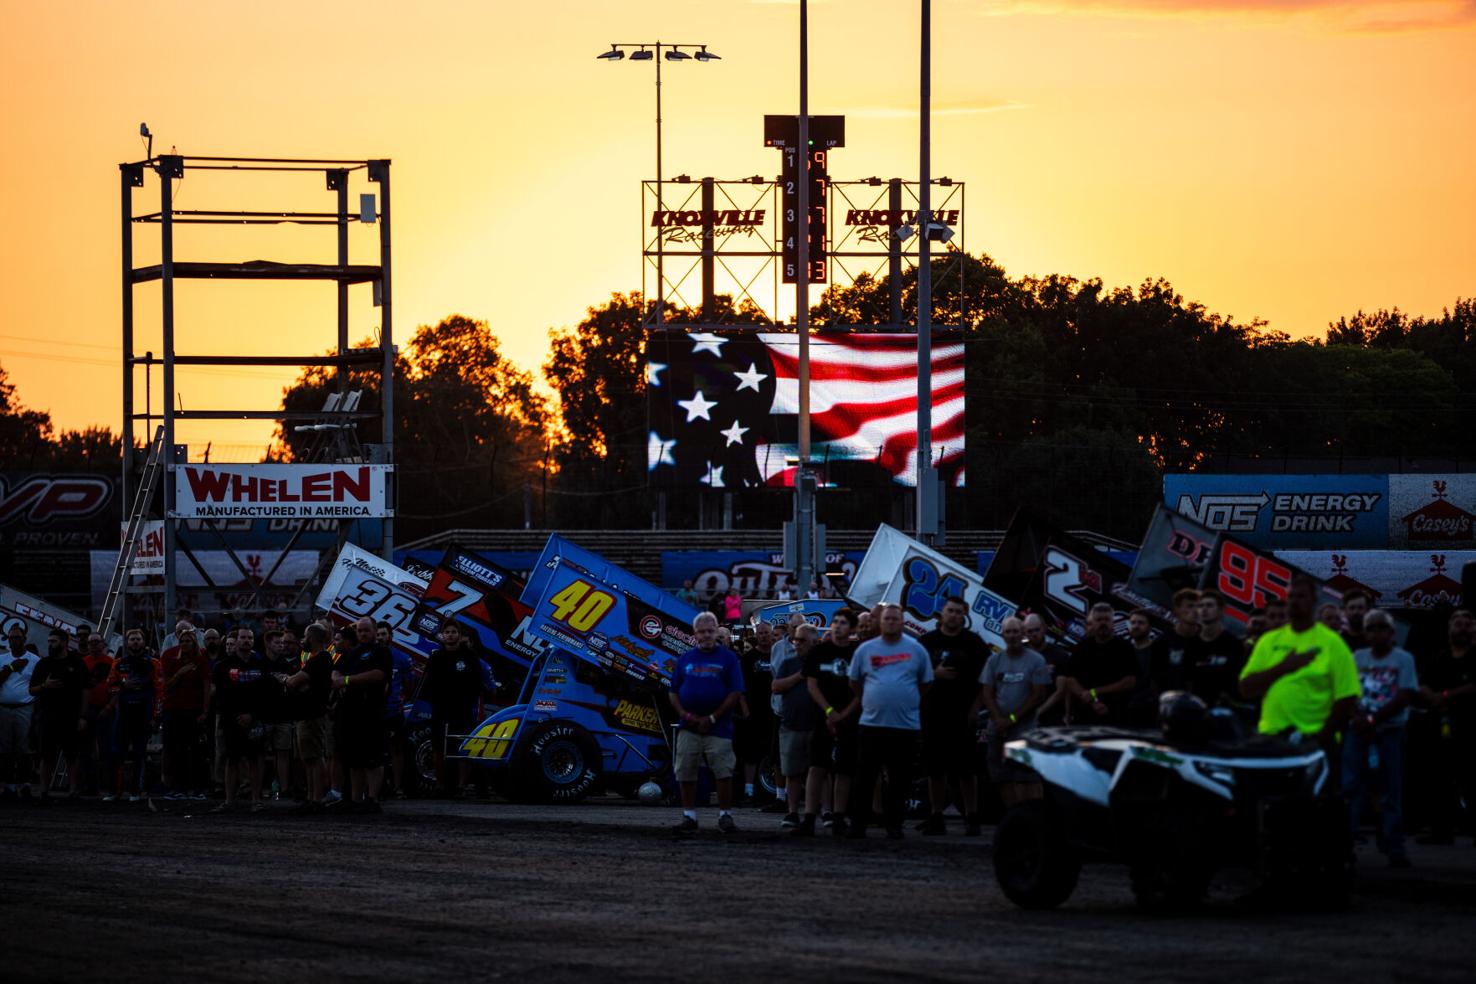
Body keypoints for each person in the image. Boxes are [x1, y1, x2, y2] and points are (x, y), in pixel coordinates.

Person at [1239, 576, 1360, 759]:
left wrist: (1321, 737)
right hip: (1271, 737)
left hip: (1315, 743)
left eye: (1301, 596)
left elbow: (1348, 696)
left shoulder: (1333, 643)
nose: (1295, 601)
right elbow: (1246, 688)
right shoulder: (1269, 640)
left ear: (1313, 602)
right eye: (1291, 596)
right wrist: (1284, 667)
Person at [845, 604, 932, 840]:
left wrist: (904, 699)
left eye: (896, 619)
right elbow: (854, 681)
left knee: (899, 780)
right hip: (872, 725)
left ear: (903, 621)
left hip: (905, 726)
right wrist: (871, 699)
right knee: (864, 777)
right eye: (888, 619)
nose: (892, 622)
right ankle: (858, 824)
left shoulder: (917, 650)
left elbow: (925, 683)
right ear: (880, 622)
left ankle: (894, 824)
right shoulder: (865, 650)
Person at [1343, 609, 1418, 867]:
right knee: (1352, 787)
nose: (1376, 633)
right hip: (1359, 729)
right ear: (1364, 633)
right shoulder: (1357, 657)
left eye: (1381, 627)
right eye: (1371, 628)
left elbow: (1406, 694)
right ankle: (1345, 844)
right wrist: (1357, 716)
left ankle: (1394, 845)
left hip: (1390, 730)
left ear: (1391, 632)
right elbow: (1348, 690)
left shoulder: (1403, 659)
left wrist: (1374, 719)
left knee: (1390, 788)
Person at [917, 596, 990, 836]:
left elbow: (985, 681)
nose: (954, 615)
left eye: (959, 612)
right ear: (941, 613)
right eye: (950, 611)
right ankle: (936, 816)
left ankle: (972, 816)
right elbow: (913, 676)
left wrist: (975, 708)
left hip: (964, 714)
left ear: (964, 615)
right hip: (933, 713)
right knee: (934, 769)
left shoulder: (974, 642)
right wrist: (933, 673)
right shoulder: (926, 642)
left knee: (966, 770)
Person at [668, 612, 745, 834]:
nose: (707, 635)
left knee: (723, 771)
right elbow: (673, 692)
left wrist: (713, 717)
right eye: (702, 631)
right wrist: (686, 715)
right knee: (685, 770)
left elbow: (735, 691)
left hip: (719, 727)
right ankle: (689, 816)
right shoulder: (685, 659)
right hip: (689, 726)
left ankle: (725, 815)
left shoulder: (729, 658)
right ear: (695, 634)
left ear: (716, 630)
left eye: (710, 631)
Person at [977, 616, 1053, 806]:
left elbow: (1038, 695)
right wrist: (998, 720)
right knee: (1003, 777)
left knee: (1028, 778)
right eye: (1008, 632)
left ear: (1023, 634)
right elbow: (987, 693)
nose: (1012, 636)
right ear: (1002, 635)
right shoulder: (994, 661)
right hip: (998, 731)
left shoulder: (1036, 660)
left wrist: (1011, 719)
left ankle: (1035, 820)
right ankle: (1014, 818)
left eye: (1016, 631)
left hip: (1025, 731)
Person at [1418, 609, 1476, 845]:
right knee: (1439, 777)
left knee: (1471, 777)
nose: (1462, 627)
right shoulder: (1439, 657)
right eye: (1457, 623)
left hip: (1471, 726)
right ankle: (1441, 830)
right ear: (1449, 629)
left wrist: (1447, 695)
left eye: (1467, 623)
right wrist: (1433, 697)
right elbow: (1421, 684)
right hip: (1440, 725)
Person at [804, 608, 862, 835]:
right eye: (835, 621)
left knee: (844, 770)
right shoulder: (819, 652)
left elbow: (862, 688)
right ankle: (809, 817)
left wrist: (843, 714)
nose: (838, 626)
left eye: (844, 623)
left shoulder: (857, 653)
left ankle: (839, 816)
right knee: (817, 767)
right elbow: (811, 684)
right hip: (821, 718)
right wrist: (829, 711)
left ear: (852, 628)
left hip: (849, 720)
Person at [332, 617, 392, 812]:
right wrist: (338, 679)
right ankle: (356, 800)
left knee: (373, 758)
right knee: (354, 759)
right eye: (360, 631)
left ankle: (373, 799)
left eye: (366, 630)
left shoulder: (381, 651)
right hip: (351, 712)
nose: (363, 634)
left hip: (372, 712)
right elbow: (336, 671)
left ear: (374, 631)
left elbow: (378, 674)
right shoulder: (353, 653)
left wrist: (347, 680)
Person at [422, 620, 484, 797]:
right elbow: (429, 683)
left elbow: (476, 683)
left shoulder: (470, 656)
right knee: (438, 747)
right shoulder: (436, 657)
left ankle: (461, 786)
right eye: (447, 632)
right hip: (440, 710)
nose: (450, 635)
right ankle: (440, 785)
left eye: (453, 632)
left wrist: (467, 701)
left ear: (459, 634)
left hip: (463, 710)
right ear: (442, 635)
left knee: (463, 745)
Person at [28, 629, 89, 799]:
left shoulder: (76, 663)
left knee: (72, 754)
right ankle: (44, 791)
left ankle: (73, 790)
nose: (50, 644)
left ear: (64, 642)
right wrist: (44, 686)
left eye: (53, 641)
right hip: (47, 716)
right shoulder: (43, 664)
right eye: (49, 641)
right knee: (46, 755)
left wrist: (83, 716)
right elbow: (32, 690)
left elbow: (86, 689)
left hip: (70, 715)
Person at [212, 630, 266, 812]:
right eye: (243, 638)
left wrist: (252, 715)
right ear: (235, 642)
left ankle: (256, 800)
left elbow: (265, 694)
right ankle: (228, 801)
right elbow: (222, 695)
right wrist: (237, 716)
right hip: (231, 720)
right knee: (232, 759)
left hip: (254, 720)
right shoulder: (222, 666)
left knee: (254, 760)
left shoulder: (261, 664)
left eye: (250, 638)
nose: (246, 641)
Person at [773, 623, 820, 832]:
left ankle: (823, 811)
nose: (797, 644)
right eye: (796, 640)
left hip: (817, 725)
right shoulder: (788, 663)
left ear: (814, 642)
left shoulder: (822, 663)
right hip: (792, 724)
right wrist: (800, 676)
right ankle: (792, 811)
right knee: (792, 772)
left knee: (819, 771)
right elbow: (776, 686)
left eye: (802, 640)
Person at [1059, 604, 1138, 725]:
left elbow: (1130, 682)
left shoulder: (1125, 648)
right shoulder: (1081, 647)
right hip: (1084, 717)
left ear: (1113, 622)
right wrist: (1091, 701)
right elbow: (1070, 680)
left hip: (1116, 716)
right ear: (1093, 622)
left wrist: (1095, 692)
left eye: (1106, 619)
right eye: (1099, 620)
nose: (1103, 623)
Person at [284, 623, 336, 813]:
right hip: (309, 714)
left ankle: (316, 798)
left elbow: (293, 681)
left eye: (305, 636)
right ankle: (312, 797)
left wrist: (287, 680)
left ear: (312, 638)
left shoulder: (319, 659)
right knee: (310, 758)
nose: (302, 640)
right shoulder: (321, 659)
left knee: (314, 757)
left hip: (312, 715)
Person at [160, 622, 211, 799]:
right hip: (173, 710)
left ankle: (198, 788)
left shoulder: (201, 659)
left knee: (197, 750)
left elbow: (206, 686)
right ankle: (177, 788)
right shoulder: (168, 656)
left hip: (194, 711)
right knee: (176, 750)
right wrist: (180, 673)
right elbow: (166, 687)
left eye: (188, 640)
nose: (185, 643)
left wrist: (204, 711)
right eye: (182, 639)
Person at [107, 629, 157, 802]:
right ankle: (115, 791)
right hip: (123, 713)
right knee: (117, 754)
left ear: (143, 642)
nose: (135, 642)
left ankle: (136, 791)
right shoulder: (118, 664)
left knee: (139, 754)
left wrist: (154, 717)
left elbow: (160, 691)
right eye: (132, 639)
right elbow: (110, 687)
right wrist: (123, 684)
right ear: (127, 643)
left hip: (143, 714)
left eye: (138, 639)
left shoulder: (154, 664)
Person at [735, 620, 776, 805]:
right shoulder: (748, 658)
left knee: (773, 752)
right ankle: (748, 790)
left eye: (767, 633)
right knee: (750, 753)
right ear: (756, 635)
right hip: (753, 712)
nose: (764, 636)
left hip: (774, 712)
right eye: (761, 633)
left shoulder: (779, 655)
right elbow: (740, 687)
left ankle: (776, 791)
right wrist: (745, 710)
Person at [0, 624, 38, 799]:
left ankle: (25, 784)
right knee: (5, 748)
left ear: (24, 639)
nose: (14, 640)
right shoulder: (2, 659)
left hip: (25, 707)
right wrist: (12, 667)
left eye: (17, 637)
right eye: (11, 637)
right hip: (4, 708)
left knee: (24, 748)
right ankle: (9, 785)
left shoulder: (35, 660)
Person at [260, 630, 298, 800]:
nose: (281, 645)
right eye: (277, 642)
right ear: (268, 644)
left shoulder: (287, 665)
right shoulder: (259, 663)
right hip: (264, 715)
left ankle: (284, 788)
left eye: (282, 642)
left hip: (283, 715)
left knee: (283, 753)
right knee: (261, 754)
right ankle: (261, 787)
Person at [1192, 591, 1247, 706]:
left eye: (1209, 605)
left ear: (1221, 610)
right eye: (1201, 606)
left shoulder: (1233, 644)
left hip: (1222, 708)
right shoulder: (1190, 643)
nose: (1204, 609)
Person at [80, 633, 116, 795]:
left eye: (97, 642)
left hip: (106, 710)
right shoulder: (83, 663)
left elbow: (117, 689)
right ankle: (90, 786)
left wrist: (108, 708)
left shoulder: (111, 663)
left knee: (106, 749)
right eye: (91, 642)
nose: (94, 645)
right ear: (87, 645)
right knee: (86, 750)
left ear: (103, 644)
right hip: (87, 710)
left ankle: (109, 787)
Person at [381, 624, 415, 799]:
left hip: (394, 710)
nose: (380, 637)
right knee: (376, 750)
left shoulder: (401, 658)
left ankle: (398, 787)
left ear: (390, 635)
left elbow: (410, 685)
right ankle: (378, 787)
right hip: (374, 711)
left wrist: (402, 700)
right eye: (377, 634)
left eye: (383, 634)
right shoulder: (368, 655)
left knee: (397, 749)